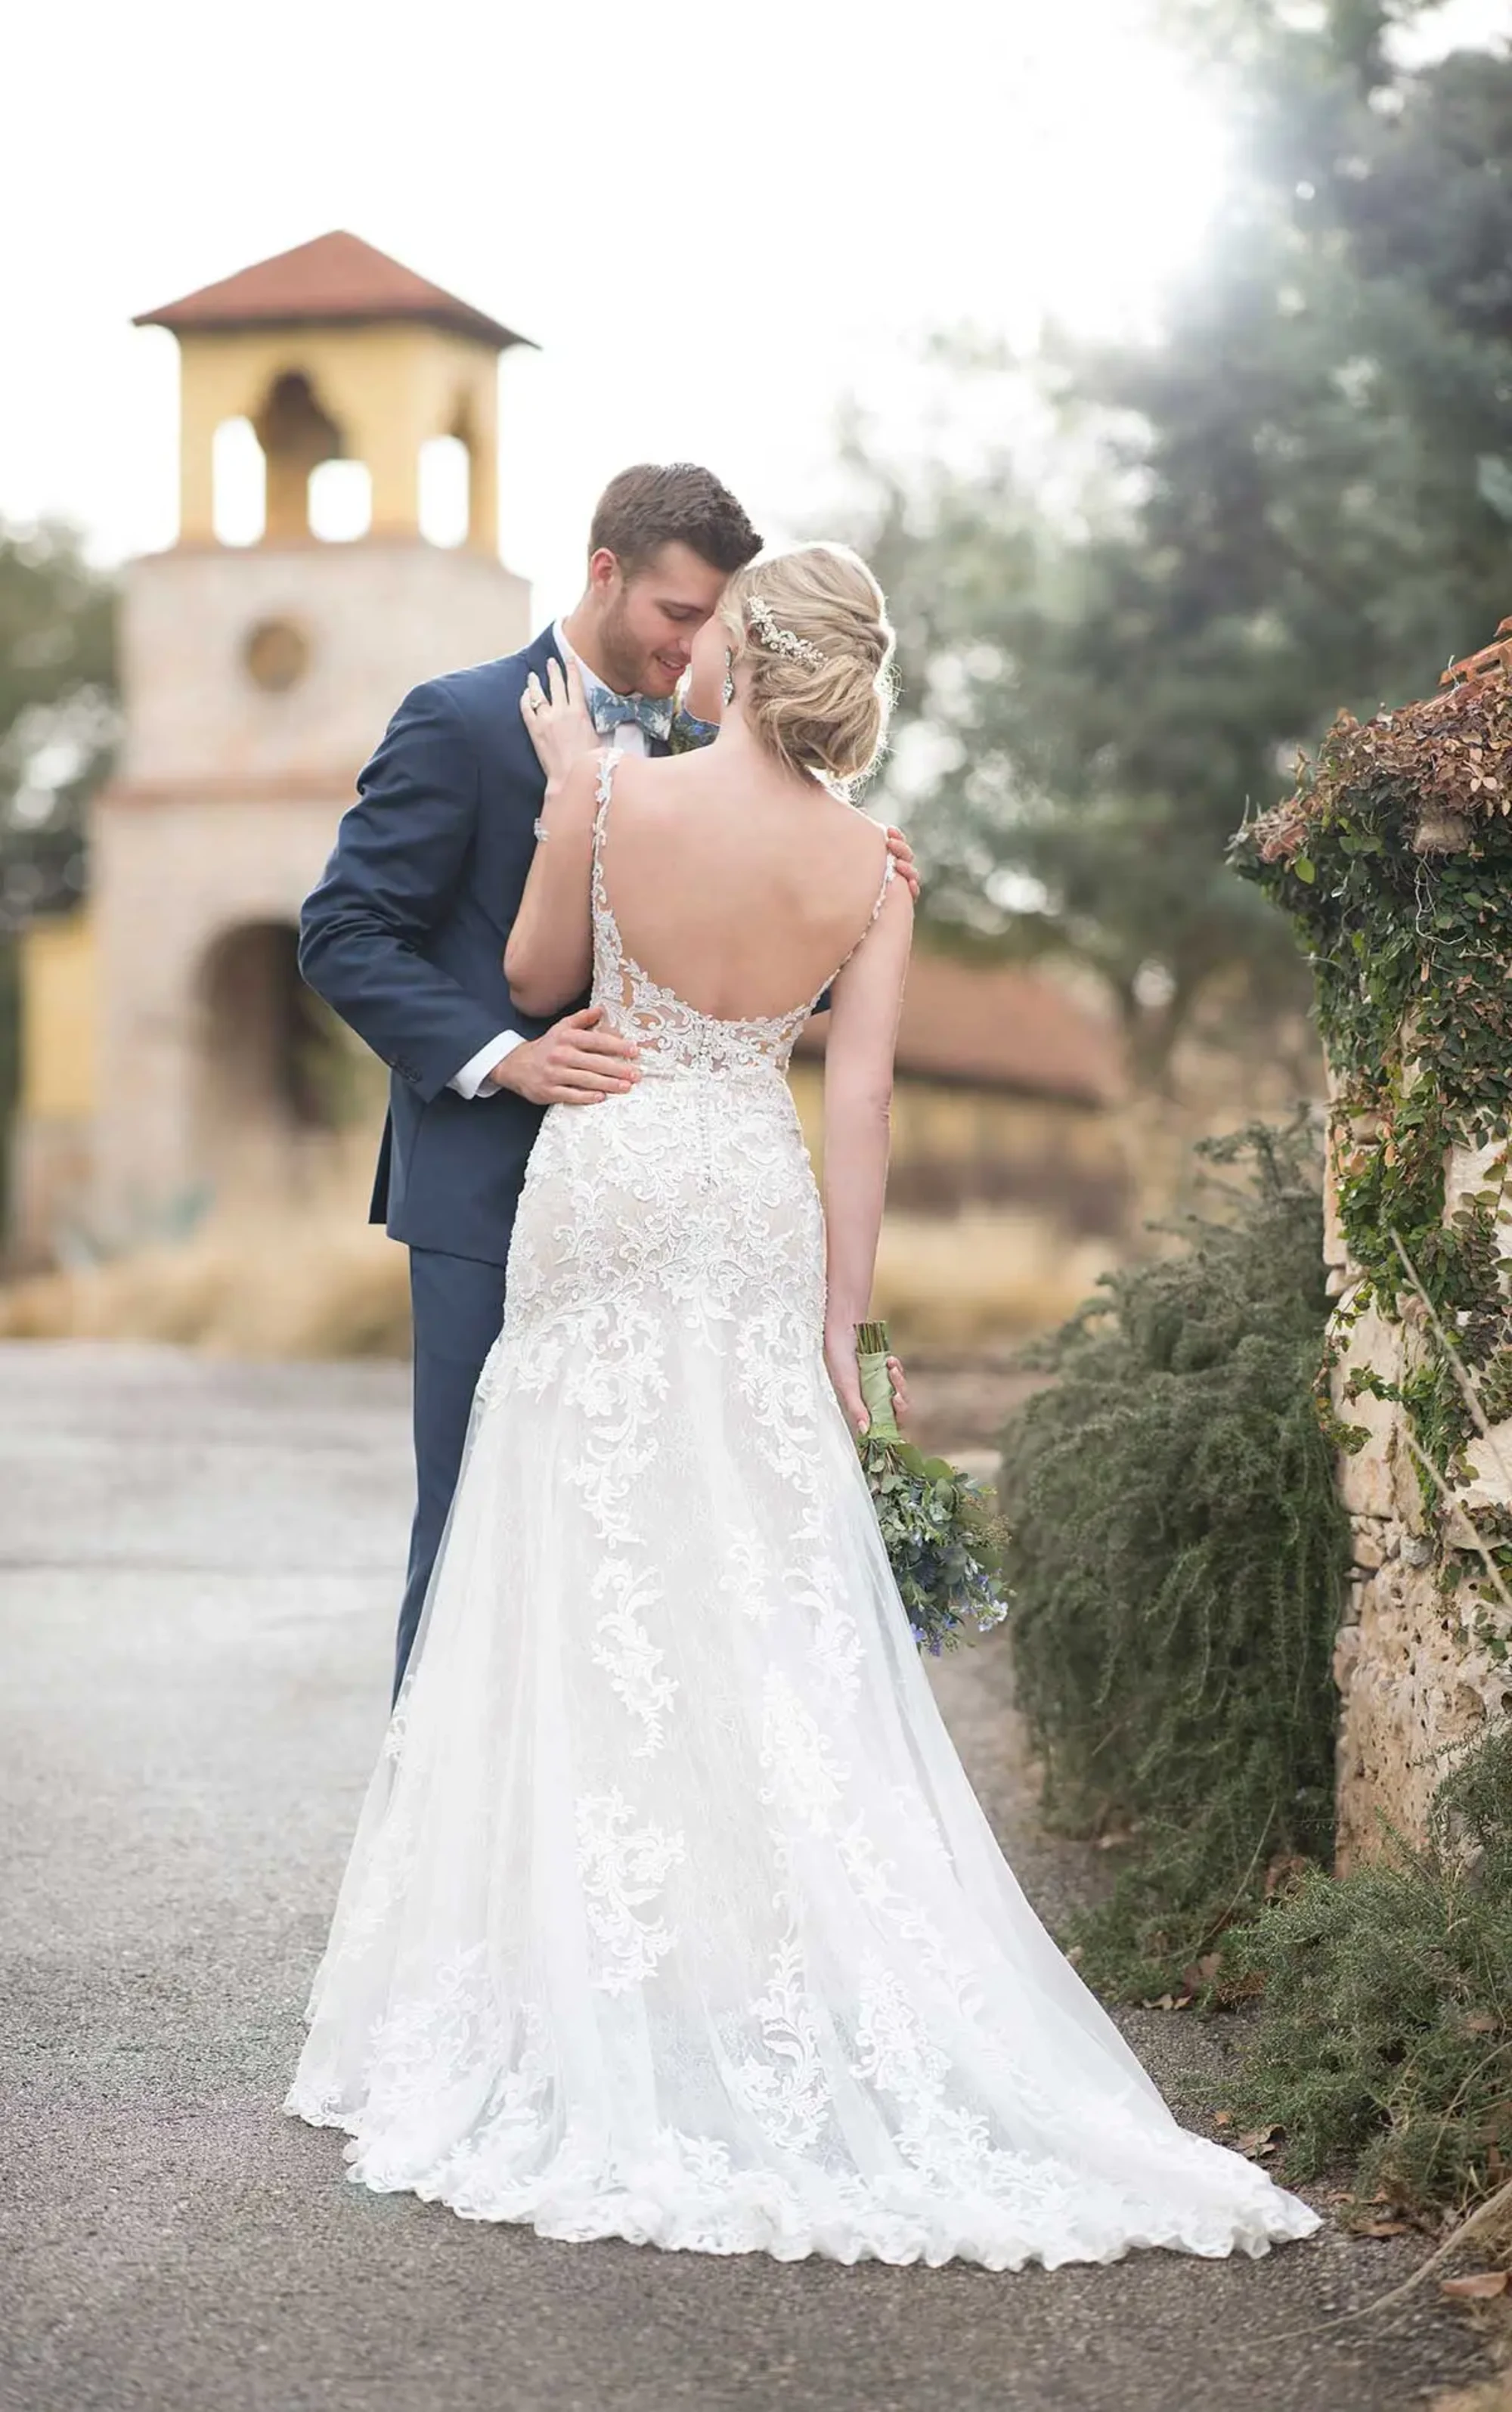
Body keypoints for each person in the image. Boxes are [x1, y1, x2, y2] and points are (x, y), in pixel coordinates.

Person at [286, 541, 1320, 2272]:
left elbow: (534, 985)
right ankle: (748, 1958)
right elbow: (864, 1104)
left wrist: (567, 799)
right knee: (751, 1574)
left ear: (747, 657)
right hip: (752, 1205)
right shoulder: (874, 865)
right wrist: (845, 1315)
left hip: (608, 1180)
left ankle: (559, 1969)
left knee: (574, 1556)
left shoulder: (615, 791)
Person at [299, 463, 916, 1698]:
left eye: (714, 624)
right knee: (478, 1540)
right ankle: (450, 1806)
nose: (693, 647)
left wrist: (852, 877)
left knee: (679, 1557)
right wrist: (506, 1056)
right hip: (489, 1195)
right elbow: (344, 932)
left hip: (691, 1220)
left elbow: (756, 973)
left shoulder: (706, 751)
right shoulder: (460, 718)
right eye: (677, 615)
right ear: (603, 574)